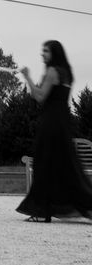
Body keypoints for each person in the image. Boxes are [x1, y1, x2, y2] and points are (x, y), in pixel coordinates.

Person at [17, 40, 92, 222]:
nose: (42, 54)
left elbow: (40, 96)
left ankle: (42, 210)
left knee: (44, 163)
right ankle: (84, 205)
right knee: (67, 165)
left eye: (46, 51)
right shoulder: (66, 73)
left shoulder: (51, 72)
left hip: (50, 122)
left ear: (54, 54)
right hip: (63, 121)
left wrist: (27, 77)